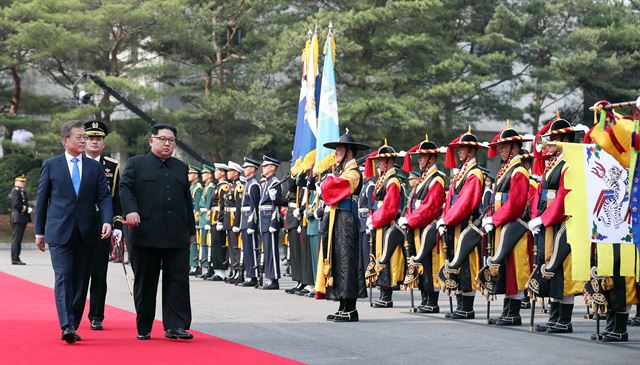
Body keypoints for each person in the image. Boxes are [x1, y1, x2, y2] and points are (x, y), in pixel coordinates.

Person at [35, 120, 113, 344]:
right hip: (59, 231)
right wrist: (39, 232)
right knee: (63, 277)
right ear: (65, 140)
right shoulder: (51, 165)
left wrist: (107, 221)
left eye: (85, 137)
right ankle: (66, 325)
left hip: (87, 231)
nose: (84, 140)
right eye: (79, 137)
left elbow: (104, 197)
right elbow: (42, 201)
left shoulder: (95, 167)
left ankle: (73, 322)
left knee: (80, 281)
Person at [120, 124, 195, 341]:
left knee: (178, 280)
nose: (167, 143)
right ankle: (144, 325)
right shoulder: (136, 164)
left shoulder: (181, 167)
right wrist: (131, 210)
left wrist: (191, 230)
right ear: (151, 141)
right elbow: (125, 189)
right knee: (146, 281)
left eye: (171, 140)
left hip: (176, 234)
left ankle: (176, 326)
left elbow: (186, 202)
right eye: (162, 139)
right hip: (145, 234)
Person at [527, 118, 583, 334]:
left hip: (562, 223)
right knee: (548, 266)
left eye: (553, 140)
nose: (548, 144)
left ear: (565, 140)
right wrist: (536, 216)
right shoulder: (553, 164)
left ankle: (564, 319)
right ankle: (554, 316)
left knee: (561, 269)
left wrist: (545, 218)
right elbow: (540, 195)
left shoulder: (569, 165)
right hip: (547, 222)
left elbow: (563, 197)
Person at [480, 125, 532, 326]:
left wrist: (495, 219)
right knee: (506, 267)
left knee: (515, 269)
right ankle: (507, 311)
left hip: (514, 225)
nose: (500, 151)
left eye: (504, 147)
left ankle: (514, 313)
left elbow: (516, 203)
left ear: (514, 148)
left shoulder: (518, 170)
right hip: (503, 223)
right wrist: (492, 216)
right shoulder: (507, 169)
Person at [437, 127, 486, 319]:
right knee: (455, 261)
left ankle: (467, 306)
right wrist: (445, 217)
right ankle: (460, 304)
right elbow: (452, 200)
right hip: (454, 223)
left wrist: (447, 218)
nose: (459, 152)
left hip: (466, 224)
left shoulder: (474, 173)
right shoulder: (462, 173)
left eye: (463, 149)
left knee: (465, 262)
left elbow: (466, 202)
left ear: (472, 151)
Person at [319, 133, 369, 322]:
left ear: (349, 153)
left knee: (348, 261)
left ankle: (351, 307)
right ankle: (342, 303)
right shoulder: (342, 172)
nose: (336, 153)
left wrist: (327, 181)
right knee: (338, 260)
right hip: (337, 218)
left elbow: (333, 189)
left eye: (340, 150)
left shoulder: (353, 173)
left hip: (346, 220)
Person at [83, 120, 124, 331]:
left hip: (102, 225)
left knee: (99, 272)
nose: (93, 142)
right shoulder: (76, 162)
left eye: (98, 138)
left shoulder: (112, 166)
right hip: (79, 226)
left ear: (103, 143)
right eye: (90, 138)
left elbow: (116, 198)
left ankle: (96, 315)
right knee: (78, 272)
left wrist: (117, 224)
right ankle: (72, 313)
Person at [397, 136, 446, 313]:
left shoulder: (436, 180)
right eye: (419, 158)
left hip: (428, 226)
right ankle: (424, 298)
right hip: (418, 225)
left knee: (429, 263)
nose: (419, 161)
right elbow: (413, 204)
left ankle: (432, 301)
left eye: (423, 158)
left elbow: (430, 207)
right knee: (419, 262)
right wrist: (408, 217)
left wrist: (410, 219)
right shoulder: (424, 178)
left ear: (431, 159)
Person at [364, 141, 404, 308]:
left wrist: (375, 219)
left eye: (381, 161)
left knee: (385, 258)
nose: (379, 163)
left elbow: (390, 207)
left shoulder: (392, 181)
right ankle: (382, 291)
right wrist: (372, 217)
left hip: (386, 223)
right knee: (377, 256)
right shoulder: (383, 179)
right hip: (379, 221)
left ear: (389, 162)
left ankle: (386, 295)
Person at [259, 155, 284, 290]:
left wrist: (275, 222)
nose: (263, 168)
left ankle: (274, 278)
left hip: (270, 219)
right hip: (264, 219)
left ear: (273, 168)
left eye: (265, 166)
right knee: (267, 250)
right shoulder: (268, 182)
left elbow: (276, 205)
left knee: (272, 251)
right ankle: (269, 277)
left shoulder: (275, 182)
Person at [238, 157, 262, 287]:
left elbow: (254, 206)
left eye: (246, 167)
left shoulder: (253, 185)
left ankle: (253, 276)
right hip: (245, 219)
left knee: (252, 249)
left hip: (249, 221)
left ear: (252, 169)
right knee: (247, 249)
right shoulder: (248, 183)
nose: (244, 169)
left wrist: (252, 223)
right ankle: (249, 274)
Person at [206, 163, 230, 281]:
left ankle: (221, 271)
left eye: (217, 171)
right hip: (214, 218)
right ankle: (217, 270)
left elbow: (222, 204)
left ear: (222, 172)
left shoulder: (224, 186)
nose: (214, 173)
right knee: (215, 244)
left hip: (218, 218)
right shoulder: (218, 186)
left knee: (220, 244)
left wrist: (221, 220)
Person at [224, 161, 244, 284]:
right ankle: (233, 269)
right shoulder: (231, 186)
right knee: (231, 247)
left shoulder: (239, 186)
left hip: (234, 220)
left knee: (236, 247)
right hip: (228, 220)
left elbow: (238, 206)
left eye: (230, 171)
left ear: (236, 173)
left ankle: (238, 271)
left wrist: (237, 224)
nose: (227, 173)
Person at [196, 164, 215, 278]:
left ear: (209, 175)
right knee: (202, 243)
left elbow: (209, 206)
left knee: (208, 243)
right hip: (202, 218)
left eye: (204, 173)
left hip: (206, 218)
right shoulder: (206, 186)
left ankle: (209, 268)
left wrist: (208, 222)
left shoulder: (210, 187)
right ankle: (206, 267)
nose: (202, 175)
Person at [10, 174, 31, 265]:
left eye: (24, 181)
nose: (23, 183)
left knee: (18, 239)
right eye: (21, 181)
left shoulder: (21, 191)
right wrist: (26, 209)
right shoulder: (15, 191)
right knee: (16, 239)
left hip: (21, 218)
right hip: (18, 218)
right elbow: (16, 204)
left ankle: (16, 257)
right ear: (16, 182)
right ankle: (15, 259)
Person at [188, 165, 204, 275]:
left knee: (195, 242)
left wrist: (197, 219)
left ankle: (195, 264)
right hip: (190, 215)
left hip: (195, 216)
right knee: (191, 243)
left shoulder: (197, 188)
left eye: (190, 173)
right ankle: (192, 264)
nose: (188, 176)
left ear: (195, 175)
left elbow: (197, 205)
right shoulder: (192, 187)